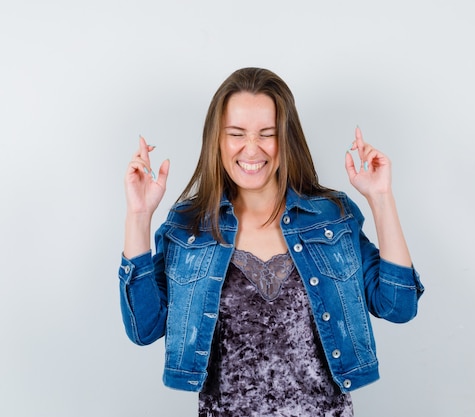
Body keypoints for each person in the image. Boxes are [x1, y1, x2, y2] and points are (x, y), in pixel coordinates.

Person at [119, 67, 424, 416]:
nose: (252, 149)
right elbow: (143, 328)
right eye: (236, 133)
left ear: (286, 138)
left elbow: (399, 306)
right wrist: (139, 216)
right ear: (217, 140)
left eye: (267, 133)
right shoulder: (190, 228)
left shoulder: (332, 218)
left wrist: (381, 198)